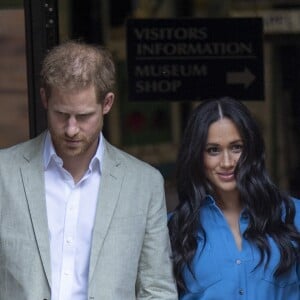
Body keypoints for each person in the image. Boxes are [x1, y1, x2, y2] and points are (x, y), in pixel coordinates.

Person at [0, 40, 178, 300]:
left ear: (107, 103)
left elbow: (157, 289)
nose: (71, 129)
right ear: (44, 99)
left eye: (83, 116)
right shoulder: (5, 174)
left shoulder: (143, 184)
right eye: (61, 114)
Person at [168, 97, 300, 299]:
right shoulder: (174, 231)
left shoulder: (294, 216)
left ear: (251, 150)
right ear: (196, 156)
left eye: (236, 147)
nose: (227, 162)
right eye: (213, 150)